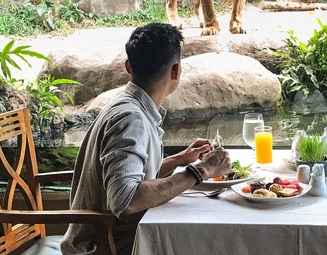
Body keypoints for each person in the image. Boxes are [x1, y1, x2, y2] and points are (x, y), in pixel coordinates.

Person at [61, 23, 232, 255]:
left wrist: (179, 160)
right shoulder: (130, 119)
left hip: (120, 237)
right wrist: (199, 171)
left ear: (128, 66)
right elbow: (125, 199)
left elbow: (128, 176)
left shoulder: (128, 106)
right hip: (105, 247)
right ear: (175, 71)